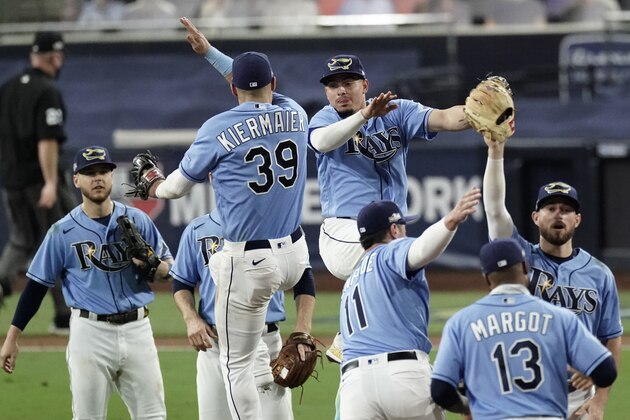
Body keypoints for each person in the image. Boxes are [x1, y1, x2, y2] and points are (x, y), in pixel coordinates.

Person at [130, 28, 311, 417]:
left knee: (235, 364)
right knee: (256, 362)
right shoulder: (295, 112)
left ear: (233, 90)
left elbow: (175, 189)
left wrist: (153, 184)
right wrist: (212, 54)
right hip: (294, 252)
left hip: (250, 260)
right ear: (273, 84)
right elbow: (254, 89)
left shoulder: (217, 126)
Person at [0, 145, 172, 419]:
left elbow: (169, 271)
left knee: (153, 416)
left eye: (104, 170)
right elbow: (35, 287)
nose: (98, 177)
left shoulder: (138, 220)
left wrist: (152, 263)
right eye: (89, 172)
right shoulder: (62, 231)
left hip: (138, 329)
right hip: (90, 334)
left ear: (112, 176)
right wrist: (12, 337)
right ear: (76, 180)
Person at [482, 134, 623, 419]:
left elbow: (612, 339)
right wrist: (496, 153)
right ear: (536, 217)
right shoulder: (520, 258)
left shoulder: (599, 274)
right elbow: (495, 210)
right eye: (550, 208)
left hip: (580, 399)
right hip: (526, 397)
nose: (558, 215)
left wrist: (600, 400)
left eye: (566, 209)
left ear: (577, 219)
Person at [431, 238, 618, 419]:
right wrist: (590, 374)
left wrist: (471, 405)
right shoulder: (559, 317)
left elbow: (440, 390)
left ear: (486, 277)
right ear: (525, 269)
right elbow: (606, 370)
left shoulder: (461, 322)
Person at [338, 189, 480, 419]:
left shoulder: (352, 279)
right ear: (394, 229)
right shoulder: (390, 251)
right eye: (402, 226)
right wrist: (450, 221)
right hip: (402, 376)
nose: (405, 231)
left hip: (354, 386)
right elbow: (420, 250)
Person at [171, 208, 316, 419]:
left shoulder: (276, 223)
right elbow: (181, 283)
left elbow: (304, 277)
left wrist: (303, 329)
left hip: (266, 345)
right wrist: (191, 318)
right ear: (213, 177)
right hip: (215, 346)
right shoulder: (197, 229)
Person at [0, 31, 78, 334]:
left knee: (21, 240)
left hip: (11, 179)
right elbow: (47, 140)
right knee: (59, 242)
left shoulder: (6, 89)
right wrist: (49, 182)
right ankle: (63, 314)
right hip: (38, 180)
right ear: (55, 56)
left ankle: (5, 283)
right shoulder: (47, 91)